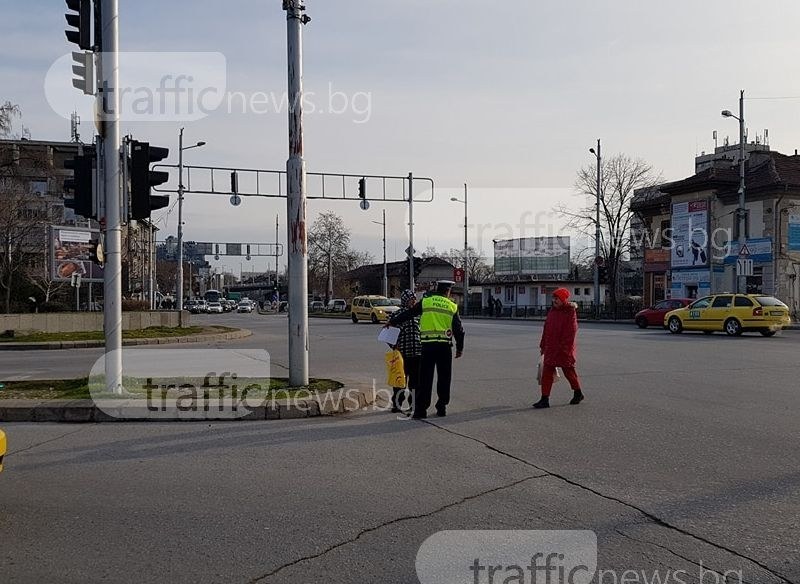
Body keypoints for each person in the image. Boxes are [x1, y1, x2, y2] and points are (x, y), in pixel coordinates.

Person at [389, 280, 465, 419]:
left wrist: (392, 322)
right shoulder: (452, 306)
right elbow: (459, 330)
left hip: (427, 347)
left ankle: (420, 411)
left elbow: (409, 313)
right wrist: (460, 348)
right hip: (444, 347)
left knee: (424, 379)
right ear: (448, 291)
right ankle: (441, 407)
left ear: (437, 289)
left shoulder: (426, 301)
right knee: (444, 378)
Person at [533, 287, 584, 409]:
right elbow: (546, 329)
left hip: (563, 349)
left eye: (557, 299)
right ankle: (544, 399)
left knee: (569, 372)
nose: (554, 301)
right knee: (546, 373)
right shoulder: (552, 311)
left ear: (563, 299)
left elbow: (571, 333)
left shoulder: (570, 312)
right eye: (554, 298)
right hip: (551, 347)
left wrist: (565, 349)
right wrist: (543, 345)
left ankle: (578, 392)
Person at [389, 289, 421, 415]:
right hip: (402, 354)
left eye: (414, 299)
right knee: (399, 381)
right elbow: (389, 335)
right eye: (411, 299)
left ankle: (413, 404)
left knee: (415, 382)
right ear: (405, 300)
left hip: (417, 353)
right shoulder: (397, 315)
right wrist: (394, 346)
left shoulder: (418, 315)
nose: (413, 301)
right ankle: (397, 404)